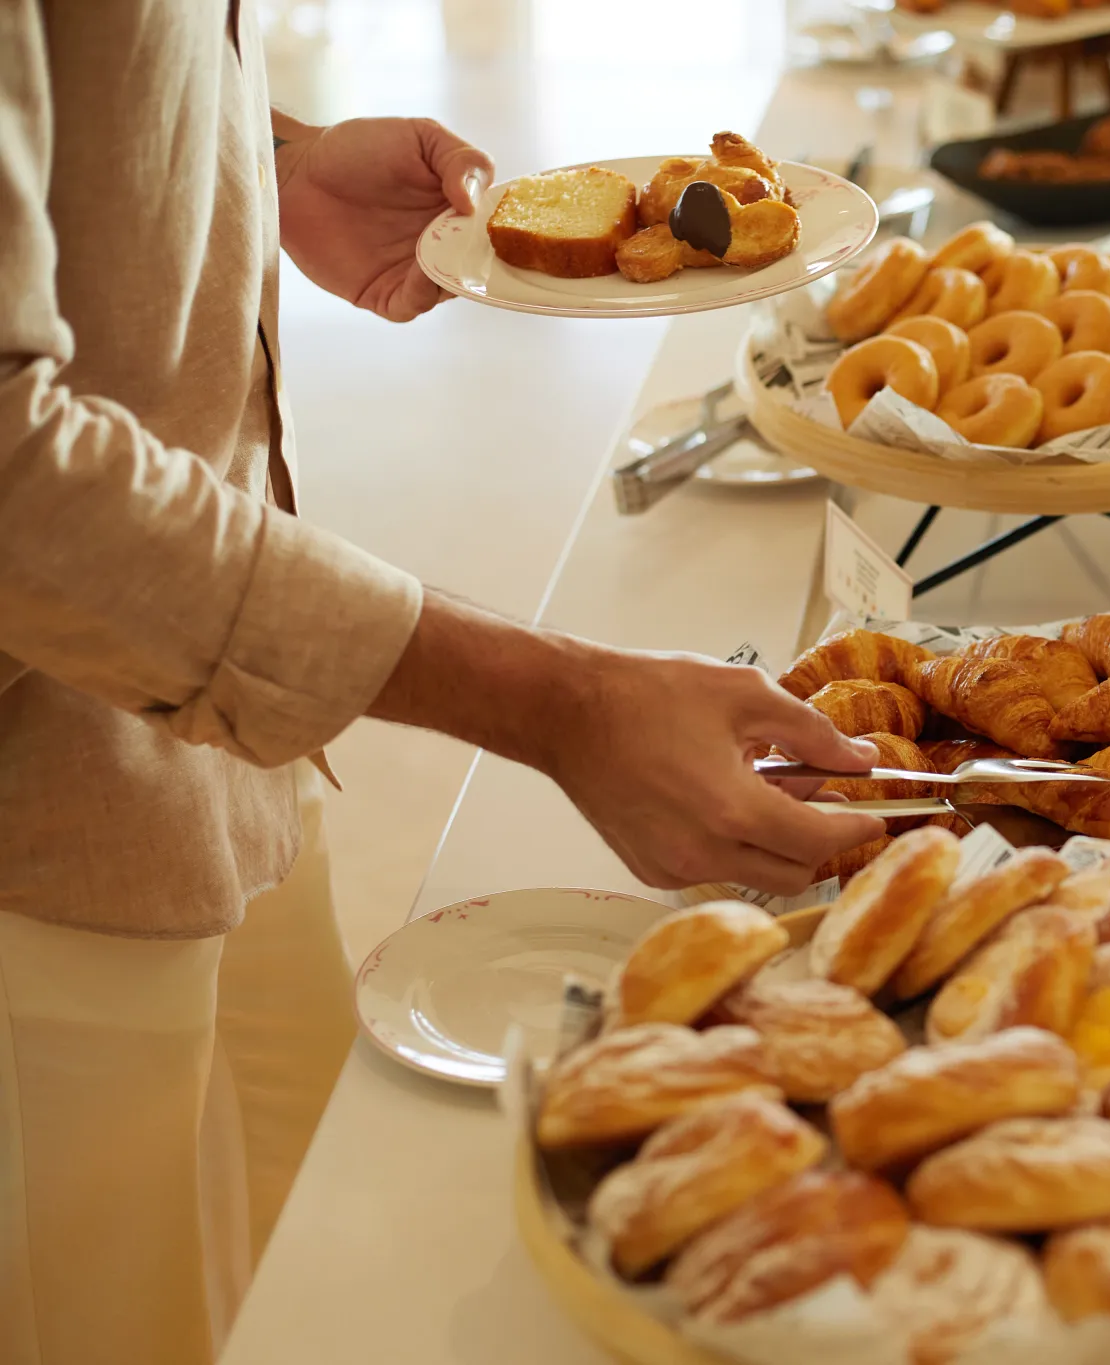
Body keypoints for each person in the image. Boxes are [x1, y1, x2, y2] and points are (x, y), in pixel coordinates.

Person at [0, 6, 883, 1362]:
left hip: (228, 716)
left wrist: (259, 154)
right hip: (45, 810)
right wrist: (556, 701)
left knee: (316, 1256)